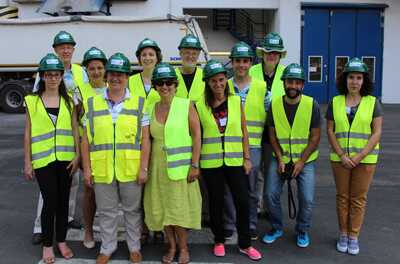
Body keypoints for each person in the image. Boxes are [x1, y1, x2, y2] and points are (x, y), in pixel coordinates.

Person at [81, 53, 144, 264]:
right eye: (113, 74)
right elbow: (85, 140)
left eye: (121, 74)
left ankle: (134, 247)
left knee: (132, 211)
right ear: (107, 76)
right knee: (106, 212)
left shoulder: (140, 103)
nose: (116, 78)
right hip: (103, 169)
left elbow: (146, 141)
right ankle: (107, 248)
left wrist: (143, 168)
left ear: (127, 77)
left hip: (130, 168)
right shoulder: (92, 103)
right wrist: (87, 170)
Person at [196, 59, 262, 261]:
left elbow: (243, 130)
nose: (218, 84)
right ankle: (218, 240)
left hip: (235, 161)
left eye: (221, 80)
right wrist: (195, 163)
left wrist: (247, 157)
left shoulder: (235, 101)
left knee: (242, 201)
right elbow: (196, 135)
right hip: (211, 163)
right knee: (215, 203)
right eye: (213, 81)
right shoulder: (199, 105)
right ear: (207, 83)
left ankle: (245, 244)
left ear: (227, 80)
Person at [140, 63, 202, 264]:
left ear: (175, 85)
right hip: (158, 168)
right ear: (155, 87)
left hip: (181, 169)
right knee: (163, 210)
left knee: (178, 211)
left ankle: (183, 248)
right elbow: (146, 139)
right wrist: (144, 168)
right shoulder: (150, 108)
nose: (164, 87)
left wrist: (194, 164)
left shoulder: (186, 105)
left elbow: (196, 135)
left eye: (168, 83)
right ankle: (172, 246)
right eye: (160, 83)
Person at [24, 53, 80, 263]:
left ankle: (62, 241)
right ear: (42, 77)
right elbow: (28, 132)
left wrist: (77, 155)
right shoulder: (32, 101)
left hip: (66, 159)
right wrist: (27, 162)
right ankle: (48, 245)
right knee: (50, 201)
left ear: (61, 76)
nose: (53, 78)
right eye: (48, 75)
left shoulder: (69, 100)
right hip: (43, 160)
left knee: (64, 201)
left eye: (56, 75)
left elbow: (75, 128)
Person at [32, 30, 85, 245]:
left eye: (69, 46)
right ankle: (39, 226)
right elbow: (37, 103)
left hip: (74, 131)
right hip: (52, 136)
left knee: (72, 182)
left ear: (73, 49)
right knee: (48, 189)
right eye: (61, 47)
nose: (65, 50)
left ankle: (68, 217)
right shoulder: (46, 71)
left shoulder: (80, 71)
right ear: (55, 50)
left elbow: (85, 96)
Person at [326, 58, 382, 255]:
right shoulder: (335, 102)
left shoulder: (373, 102)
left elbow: (376, 132)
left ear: (364, 81)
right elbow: (330, 131)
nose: (355, 82)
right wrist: (341, 154)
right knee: (342, 197)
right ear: (345, 79)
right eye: (351, 77)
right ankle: (343, 233)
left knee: (358, 198)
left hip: (365, 160)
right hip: (340, 159)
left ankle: (353, 236)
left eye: (359, 78)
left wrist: (359, 156)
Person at [262, 63, 321, 248]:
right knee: (270, 194)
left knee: (307, 199)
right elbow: (271, 134)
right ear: (284, 83)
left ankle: (302, 229)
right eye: (290, 82)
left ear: (302, 85)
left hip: (305, 160)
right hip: (279, 157)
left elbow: (315, 136)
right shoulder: (275, 104)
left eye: (297, 82)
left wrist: (302, 161)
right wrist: (279, 157)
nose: (293, 86)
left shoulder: (312, 105)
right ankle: (276, 227)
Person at [223, 42, 268, 240]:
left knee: (250, 189)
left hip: (254, 146)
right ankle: (229, 224)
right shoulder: (224, 86)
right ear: (232, 63)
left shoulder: (261, 87)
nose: (241, 64)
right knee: (228, 188)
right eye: (237, 61)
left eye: (245, 61)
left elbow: (270, 115)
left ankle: (249, 225)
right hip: (229, 145)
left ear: (250, 63)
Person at [249, 32, 287, 216]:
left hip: (276, 132)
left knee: (271, 172)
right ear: (262, 54)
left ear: (280, 55)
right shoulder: (252, 71)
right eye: (268, 52)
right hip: (254, 131)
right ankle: (256, 207)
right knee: (256, 172)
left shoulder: (286, 74)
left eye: (276, 53)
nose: (272, 55)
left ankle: (269, 206)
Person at [80, 46, 108, 249]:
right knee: (90, 191)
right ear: (86, 70)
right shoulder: (80, 90)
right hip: (88, 148)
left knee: (110, 190)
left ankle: (109, 232)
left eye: (99, 67)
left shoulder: (114, 87)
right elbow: (75, 123)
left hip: (109, 148)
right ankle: (88, 230)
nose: (96, 72)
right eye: (92, 68)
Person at [129, 38, 161, 108]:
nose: (147, 58)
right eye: (144, 55)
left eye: (151, 54)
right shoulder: (129, 81)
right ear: (139, 58)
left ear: (157, 58)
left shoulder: (164, 81)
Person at [175, 34, 205, 102]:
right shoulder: (172, 76)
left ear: (198, 55)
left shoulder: (205, 76)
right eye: (187, 53)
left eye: (194, 53)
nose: (190, 56)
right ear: (180, 53)